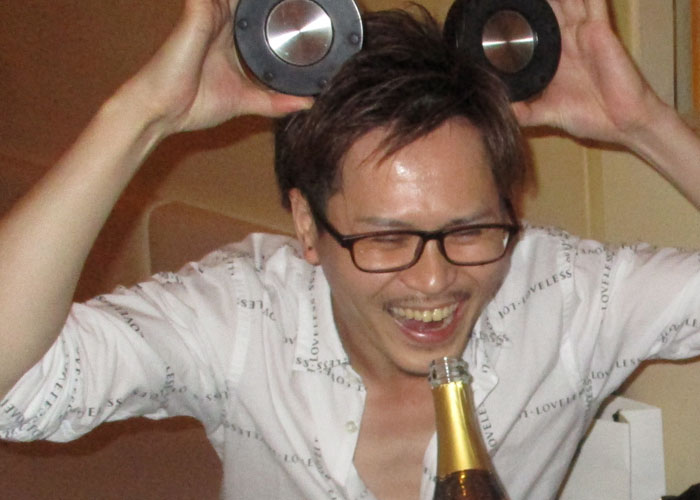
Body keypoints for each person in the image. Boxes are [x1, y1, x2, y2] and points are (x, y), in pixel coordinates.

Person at [0, 0, 699, 499]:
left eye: (469, 231)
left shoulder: (568, 297)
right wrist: (142, 116)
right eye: (386, 238)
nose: (435, 280)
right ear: (307, 226)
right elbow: (14, 392)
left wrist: (644, 125)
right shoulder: (243, 315)